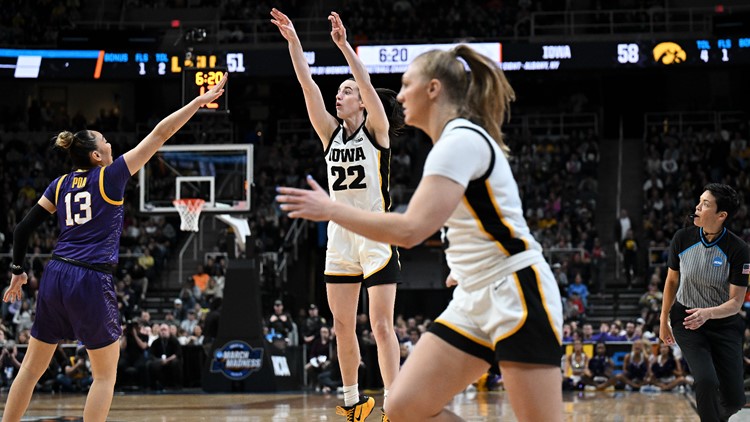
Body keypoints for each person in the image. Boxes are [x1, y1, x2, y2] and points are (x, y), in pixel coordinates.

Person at [277, 44, 563, 421]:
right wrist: (461, 263)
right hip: (472, 296)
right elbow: (470, 217)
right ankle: (353, 399)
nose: (398, 94)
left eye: (406, 83)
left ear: (433, 89)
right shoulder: (445, 145)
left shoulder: (460, 141)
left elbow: (412, 230)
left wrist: (331, 209)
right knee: (403, 407)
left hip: (514, 291)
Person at [2, 75, 226, 422]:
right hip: (90, 279)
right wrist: (198, 103)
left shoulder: (59, 184)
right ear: (97, 155)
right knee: (105, 375)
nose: (111, 143)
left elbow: (21, 229)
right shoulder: (111, 175)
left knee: (31, 369)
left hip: (55, 273)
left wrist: (17, 272)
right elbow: (160, 134)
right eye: (106, 141)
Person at [271, 9, 404, 421]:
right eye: (340, 91)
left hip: (377, 234)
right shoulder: (330, 134)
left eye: (347, 91)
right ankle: (353, 402)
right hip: (341, 238)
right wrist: (294, 41)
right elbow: (306, 84)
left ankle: (396, 404)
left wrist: (344, 46)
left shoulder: (376, 129)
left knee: (381, 327)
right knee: (343, 326)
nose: (340, 95)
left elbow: (364, 82)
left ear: (362, 102)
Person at [660, 183, 748, 422]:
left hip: (725, 324)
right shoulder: (682, 238)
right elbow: (670, 282)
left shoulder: (739, 250)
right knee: (706, 381)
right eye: (699, 201)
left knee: (734, 401)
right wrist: (663, 319)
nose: (697, 207)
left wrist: (708, 313)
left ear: (722, 215)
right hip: (687, 319)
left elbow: (736, 302)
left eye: (705, 204)